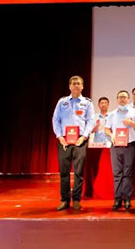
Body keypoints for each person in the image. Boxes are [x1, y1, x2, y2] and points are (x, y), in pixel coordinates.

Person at [51, 75, 95, 211]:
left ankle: (76, 199)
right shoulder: (62, 102)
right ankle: (64, 200)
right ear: (69, 86)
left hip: (80, 140)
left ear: (82, 87)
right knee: (64, 172)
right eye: (73, 83)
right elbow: (55, 120)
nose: (76, 85)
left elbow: (91, 121)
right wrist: (59, 136)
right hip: (64, 140)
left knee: (78, 172)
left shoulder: (87, 103)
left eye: (78, 83)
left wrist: (85, 137)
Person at [104, 90, 135, 211]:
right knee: (117, 173)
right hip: (116, 146)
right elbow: (106, 129)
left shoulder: (134, 112)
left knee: (127, 173)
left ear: (128, 99)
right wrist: (111, 135)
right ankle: (117, 199)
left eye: (124, 97)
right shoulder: (112, 114)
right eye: (120, 97)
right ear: (117, 99)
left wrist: (131, 123)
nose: (122, 99)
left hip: (129, 145)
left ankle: (127, 198)